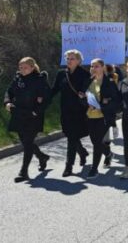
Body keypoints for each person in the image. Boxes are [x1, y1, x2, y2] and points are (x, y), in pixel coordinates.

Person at [4, 57, 51, 182]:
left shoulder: (40, 80)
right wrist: (7, 102)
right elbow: (9, 91)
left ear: (32, 67)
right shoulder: (18, 78)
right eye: (21, 67)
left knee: (28, 142)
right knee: (26, 143)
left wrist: (37, 111)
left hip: (33, 116)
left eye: (25, 67)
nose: (22, 70)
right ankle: (42, 157)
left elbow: (47, 99)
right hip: (18, 114)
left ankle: (23, 172)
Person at [51, 49, 91, 177]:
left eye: (72, 59)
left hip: (79, 111)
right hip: (65, 111)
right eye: (67, 59)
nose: (69, 61)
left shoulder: (85, 74)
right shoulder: (61, 74)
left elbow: (88, 91)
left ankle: (69, 166)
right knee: (70, 135)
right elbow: (54, 90)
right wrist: (42, 100)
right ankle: (83, 152)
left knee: (72, 137)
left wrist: (83, 93)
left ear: (79, 61)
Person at [83, 58, 121, 179]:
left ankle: (94, 169)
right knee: (96, 141)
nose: (93, 68)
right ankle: (108, 154)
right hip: (90, 116)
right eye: (92, 66)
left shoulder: (109, 82)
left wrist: (105, 103)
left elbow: (117, 101)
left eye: (96, 66)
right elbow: (81, 96)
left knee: (97, 142)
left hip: (103, 117)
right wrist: (85, 102)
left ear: (103, 67)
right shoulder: (88, 81)